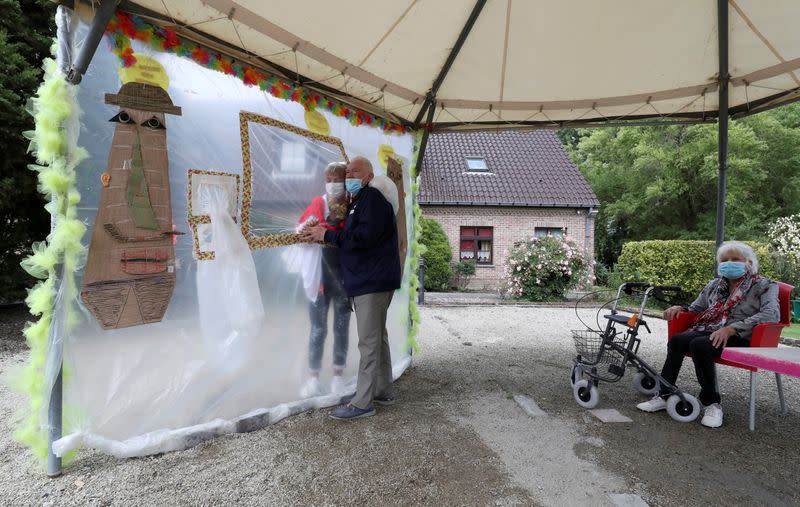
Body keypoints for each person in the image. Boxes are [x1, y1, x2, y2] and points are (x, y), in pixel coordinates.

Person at [637, 241, 779, 428]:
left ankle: (712, 403)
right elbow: (696, 308)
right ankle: (664, 394)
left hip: (745, 337)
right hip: (712, 330)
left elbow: (771, 315)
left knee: (700, 345)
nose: (729, 263)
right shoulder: (715, 285)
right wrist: (680, 308)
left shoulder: (764, 285)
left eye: (735, 259)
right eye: (724, 260)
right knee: (678, 340)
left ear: (749, 263)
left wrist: (732, 328)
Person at [301, 156, 401, 420]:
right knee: (378, 337)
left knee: (368, 342)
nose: (349, 176)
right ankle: (382, 389)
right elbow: (351, 232)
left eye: (355, 171)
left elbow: (362, 238)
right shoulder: (360, 201)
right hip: (371, 280)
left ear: (368, 176)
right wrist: (323, 230)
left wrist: (326, 236)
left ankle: (363, 402)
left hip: (372, 281)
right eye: (347, 172)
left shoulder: (372, 199)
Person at [297, 162, 351, 398]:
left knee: (342, 327)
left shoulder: (353, 205)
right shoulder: (318, 203)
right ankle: (313, 378)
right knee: (318, 330)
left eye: (337, 179)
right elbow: (299, 230)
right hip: (320, 278)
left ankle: (338, 376)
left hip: (344, 276)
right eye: (328, 179)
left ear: (345, 180)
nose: (332, 183)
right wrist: (307, 228)